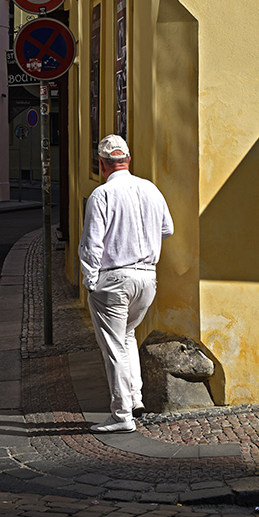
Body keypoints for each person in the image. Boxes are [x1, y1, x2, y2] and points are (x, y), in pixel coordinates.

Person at [78, 134, 173, 433]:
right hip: (147, 277)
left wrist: (90, 281)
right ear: (128, 160)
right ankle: (135, 399)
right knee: (128, 336)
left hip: (115, 279)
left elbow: (91, 244)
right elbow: (167, 229)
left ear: (102, 164)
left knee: (114, 347)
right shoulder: (150, 189)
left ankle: (121, 415)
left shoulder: (102, 195)